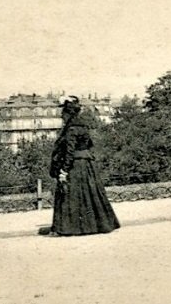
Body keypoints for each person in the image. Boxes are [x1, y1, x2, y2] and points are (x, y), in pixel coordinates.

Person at [48, 96, 120, 236]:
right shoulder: (83, 126)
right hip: (87, 164)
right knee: (90, 194)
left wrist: (64, 170)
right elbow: (90, 144)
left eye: (63, 112)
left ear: (68, 113)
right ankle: (96, 225)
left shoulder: (71, 129)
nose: (61, 115)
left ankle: (68, 228)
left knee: (70, 195)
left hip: (75, 165)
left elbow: (69, 151)